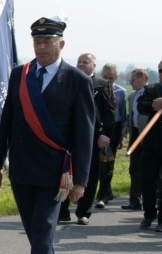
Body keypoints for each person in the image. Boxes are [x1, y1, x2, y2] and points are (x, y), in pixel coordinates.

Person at [0, 17, 94, 254]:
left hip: (55, 171)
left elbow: (84, 134)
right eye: (37, 41)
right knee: (32, 229)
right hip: (22, 168)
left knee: (43, 228)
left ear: (61, 43)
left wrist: (81, 180)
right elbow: (7, 121)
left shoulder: (77, 80)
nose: (41, 46)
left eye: (48, 41)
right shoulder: (20, 75)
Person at [58, 52, 115, 225]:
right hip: (69, 136)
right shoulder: (68, 81)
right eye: (79, 61)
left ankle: (84, 212)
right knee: (66, 172)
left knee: (89, 174)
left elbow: (110, 112)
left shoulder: (101, 85)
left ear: (94, 66)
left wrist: (105, 134)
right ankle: (62, 210)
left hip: (93, 137)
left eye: (86, 62)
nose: (82, 64)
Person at [136, 58, 162, 232]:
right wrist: (154, 105)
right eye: (161, 70)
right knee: (147, 180)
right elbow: (141, 106)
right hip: (152, 144)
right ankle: (149, 214)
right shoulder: (151, 89)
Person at [95, 63, 127, 208]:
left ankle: (103, 195)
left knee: (108, 162)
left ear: (116, 77)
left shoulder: (121, 92)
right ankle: (106, 192)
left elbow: (120, 115)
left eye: (111, 78)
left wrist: (121, 136)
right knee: (97, 163)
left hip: (113, 131)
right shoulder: (96, 88)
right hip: (98, 129)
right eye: (105, 77)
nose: (108, 81)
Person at [121, 68, 149, 210]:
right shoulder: (132, 96)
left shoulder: (152, 92)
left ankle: (157, 198)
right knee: (134, 168)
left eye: (133, 79)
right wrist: (126, 124)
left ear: (143, 78)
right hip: (135, 134)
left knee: (153, 169)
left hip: (150, 136)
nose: (130, 82)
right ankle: (135, 201)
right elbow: (130, 114)